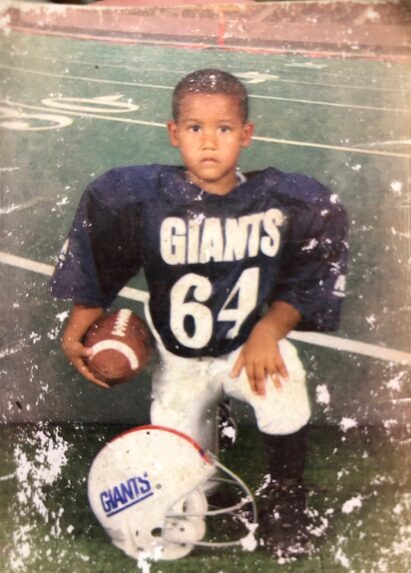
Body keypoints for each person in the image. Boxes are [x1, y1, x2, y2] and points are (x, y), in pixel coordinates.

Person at [49, 69, 348, 560]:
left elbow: (309, 270)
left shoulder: (284, 201)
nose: (209, 142)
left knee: (285, 381)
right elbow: (104, 257)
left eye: (224, 129)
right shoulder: (141, 199)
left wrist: (270, 331)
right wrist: (77, 327)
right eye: (194, 128)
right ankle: (210, 448)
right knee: (187, 471)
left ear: (247, 135)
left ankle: (287, 498)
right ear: (173, 133)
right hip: (179, 356)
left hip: (244, 346)